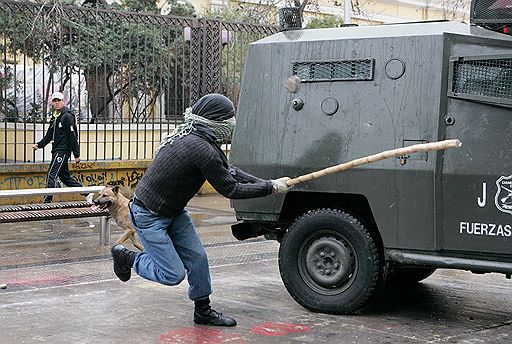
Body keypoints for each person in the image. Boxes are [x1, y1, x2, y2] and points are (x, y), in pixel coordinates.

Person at [111, 93, 292, 327]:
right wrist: (269, 188)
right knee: (172, 274)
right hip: (148, 215)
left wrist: (270, 183)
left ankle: (203, 311)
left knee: (198, 258)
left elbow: (229, 170)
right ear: (215, 121)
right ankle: (127, 257)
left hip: (173, 212)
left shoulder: (197, 137)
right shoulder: (200, 148)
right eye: (229, 118)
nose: (232, 123)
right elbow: (230, 188)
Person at [32, 91, 93, 204]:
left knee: (52, 174)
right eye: (55, 101)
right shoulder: (55, 117)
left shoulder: (67, 116)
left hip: (63, 151)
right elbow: (49, 135)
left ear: (63, 102)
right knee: (65, 178)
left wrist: (76, 154)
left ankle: (47, 202)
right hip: (56, 150)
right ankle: (87, 193)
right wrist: (39, 145)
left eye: (59, 100)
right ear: (52, 103)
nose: (57, 103)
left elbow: (72, 135)